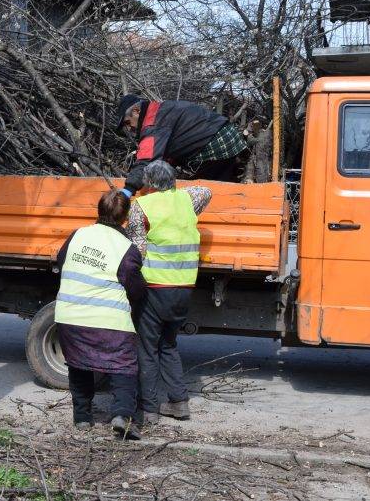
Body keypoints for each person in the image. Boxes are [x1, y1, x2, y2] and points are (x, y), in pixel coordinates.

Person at [54, 189, 147, 439]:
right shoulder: (126, 248)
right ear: (125, 218)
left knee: (78, 364)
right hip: (109, 321)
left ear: (99, 210)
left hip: (69, 317)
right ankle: (122, 416)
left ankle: (82, 418)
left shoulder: (78, 235)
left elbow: (62, 261)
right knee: (123, 366)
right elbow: (135, 288)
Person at [125, 161, 211, 424]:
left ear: (148, 182)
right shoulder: (187, 201)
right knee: (169, 345)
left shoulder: (141, 207)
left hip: (154, 288)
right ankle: (179, 403)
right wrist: (173, 188)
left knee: (147, 348)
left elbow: (136, 250)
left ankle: (149, 409)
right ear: (173, 180)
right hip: (183, 288)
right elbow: (206, 191)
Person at [115, 94, 247, 197]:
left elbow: (146, 161)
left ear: (136, 111)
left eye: (128, 122)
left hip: (218, 144)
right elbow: (176, 142)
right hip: (226, 135)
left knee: (203, 192)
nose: (129, 128)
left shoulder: (152, 123)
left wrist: (128, 190)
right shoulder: (161, 109)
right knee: (222, 182)